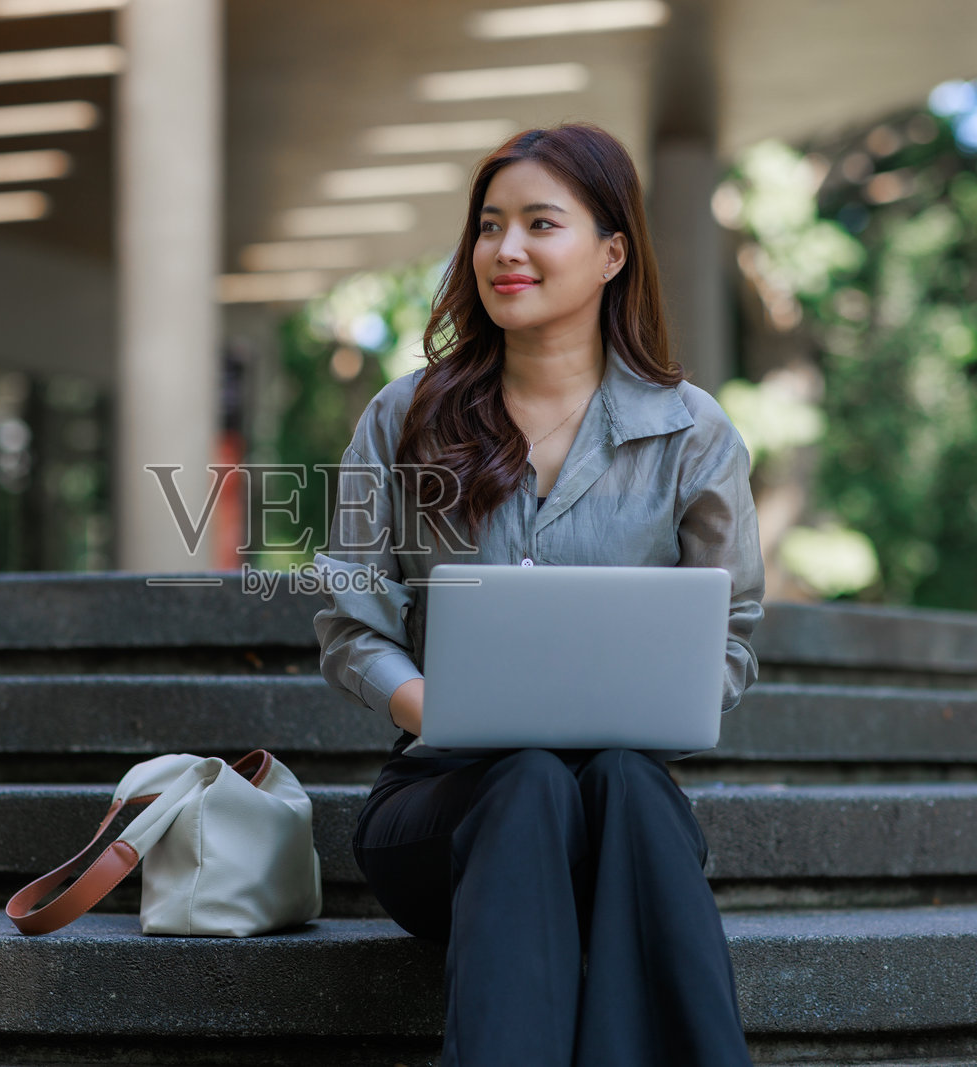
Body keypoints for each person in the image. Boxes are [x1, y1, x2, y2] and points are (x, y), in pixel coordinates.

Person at [311, 122, 765, 1067]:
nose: (505, 250)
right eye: (489, 226)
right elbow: (352, 625)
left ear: (611, 253)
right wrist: (437, 707)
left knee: (627, 783)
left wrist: (660, 699)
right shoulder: (404, 418)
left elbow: (731, 634)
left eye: (539, 223)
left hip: (616, 808)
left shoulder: (691, 433)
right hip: (442, 805)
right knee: (525, 781)